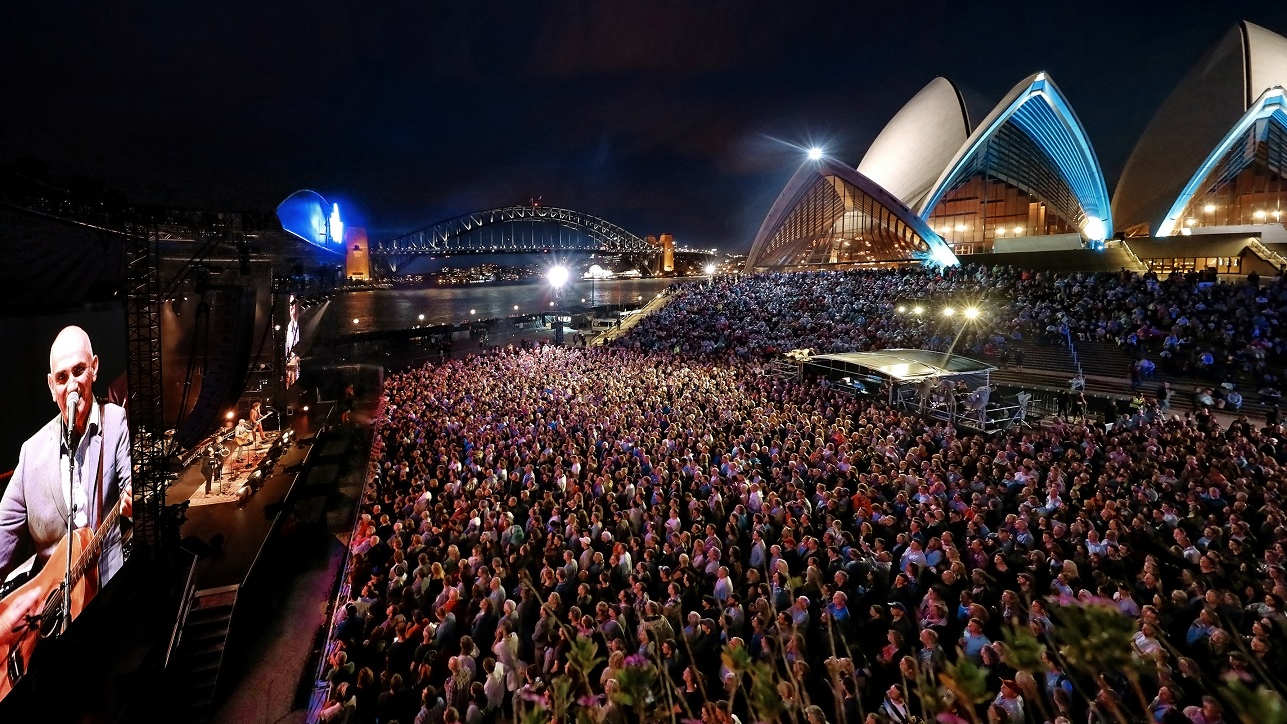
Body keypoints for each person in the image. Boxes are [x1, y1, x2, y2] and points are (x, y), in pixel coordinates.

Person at [0, 326, 133, 598]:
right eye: (62, 377)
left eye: (78, 371)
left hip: (110, 591)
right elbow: (3, 535)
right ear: (51, 386)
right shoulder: (31, 452)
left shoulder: (116, 423)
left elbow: (133, 491)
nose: (72, 386)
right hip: (51, 616)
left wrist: (135, 504)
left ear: (94, 368)